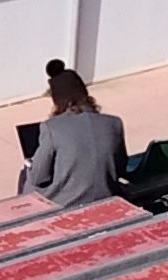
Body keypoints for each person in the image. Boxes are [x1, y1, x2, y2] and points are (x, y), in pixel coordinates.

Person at [18, 65, 127, 207]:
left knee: (25, 176)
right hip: (106, 196)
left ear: (58, 101)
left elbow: (39, 177)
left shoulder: (52, 128)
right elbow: (120, 166)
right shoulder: (113, 123)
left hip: (65, 204)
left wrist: (30, 166)